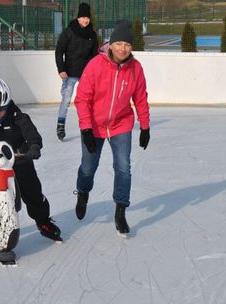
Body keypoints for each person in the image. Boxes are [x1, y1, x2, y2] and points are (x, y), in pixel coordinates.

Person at [0, 75, 62, 241]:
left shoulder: (16, 114)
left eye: (1, 109)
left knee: (31, 191)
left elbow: (29, 130)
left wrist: (34, 146)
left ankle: (43, 221)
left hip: (19, 158)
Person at [73, 20, 151, 236]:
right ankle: (83, 192)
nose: (122, 49)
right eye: (119, 44)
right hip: (94, 125)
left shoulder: (135, 69)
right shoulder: (96, 65)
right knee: (88, 167)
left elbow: (141, 99)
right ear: (111, 43)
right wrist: (86, 129)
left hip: (121, 124)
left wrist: (145, 127)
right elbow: (82, 99)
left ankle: (120, 211)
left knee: (123, 167)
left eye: (127, 45)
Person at [54, 2, 99, 141]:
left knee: (90, 100)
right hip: (70, 72)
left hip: (86, 74)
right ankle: (61, 124)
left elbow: (95, 56)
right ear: (78, 18)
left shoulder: (92, 35)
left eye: (88, 17)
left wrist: (95, 73)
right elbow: (59, 51)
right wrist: (61, 69)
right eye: (83, 17)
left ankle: (90, 125)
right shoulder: (69, 32)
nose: (86, 20)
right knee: (66, 99)